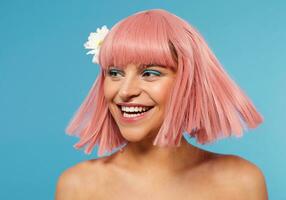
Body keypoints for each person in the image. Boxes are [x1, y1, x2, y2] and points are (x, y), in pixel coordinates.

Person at [55, 9, 268, 199]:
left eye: (150, 73)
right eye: (115, 73)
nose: (126, 91)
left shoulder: (241, 183)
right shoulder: (78, 187)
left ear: (188, 81)